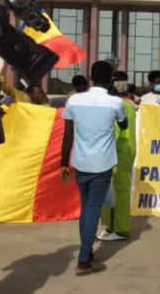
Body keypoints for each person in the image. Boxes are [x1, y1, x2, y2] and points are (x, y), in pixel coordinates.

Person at [60, 61, 127, 276]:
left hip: (80, 162)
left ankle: (87, 254)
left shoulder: (75, 100)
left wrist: (63, 162)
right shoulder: (115, 103)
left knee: (86, 207)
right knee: (92, 210)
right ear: (110, 80)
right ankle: (83, 261)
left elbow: (68, 134)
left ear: (90, 77)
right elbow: (123, 125)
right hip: (102, 163)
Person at [98, 75, 137, 242]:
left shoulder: (121, 105)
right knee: (111, 190)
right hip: (119, 152)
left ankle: (120, 229)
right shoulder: (126, 105)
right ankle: (110, 226)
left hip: (119, 152)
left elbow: (115, 131)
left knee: (119, 192)